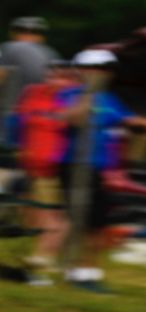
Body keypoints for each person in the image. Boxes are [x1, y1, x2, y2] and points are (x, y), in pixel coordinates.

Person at [55, 49, 146, 292]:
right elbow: (72, 119)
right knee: (80, 221)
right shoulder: (68, 95)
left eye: (107, 69)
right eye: (99, 68)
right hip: (74, 164)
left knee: (98, 223)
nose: (105, 74)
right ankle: (75, 271)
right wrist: (89, 92)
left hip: (99, 167)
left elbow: (127, 120)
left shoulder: (109, 98)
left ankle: (86, 272)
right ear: (84, 70)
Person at [11, 57, 75, 282]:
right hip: (31, 163)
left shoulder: (73, 98)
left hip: (56, 166)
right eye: (51, 75)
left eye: (62, 77)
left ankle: (43, 257)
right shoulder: (33, 92)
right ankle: (49, 257)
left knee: (51, 215)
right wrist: (19, 148)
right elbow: (19, 122)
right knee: (36, 214)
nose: (55, 81)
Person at [0, 17, 59, 123]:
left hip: (10, 114)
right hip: (41, 116)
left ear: (12, 33)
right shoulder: (52, 54)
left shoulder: (8, 48)